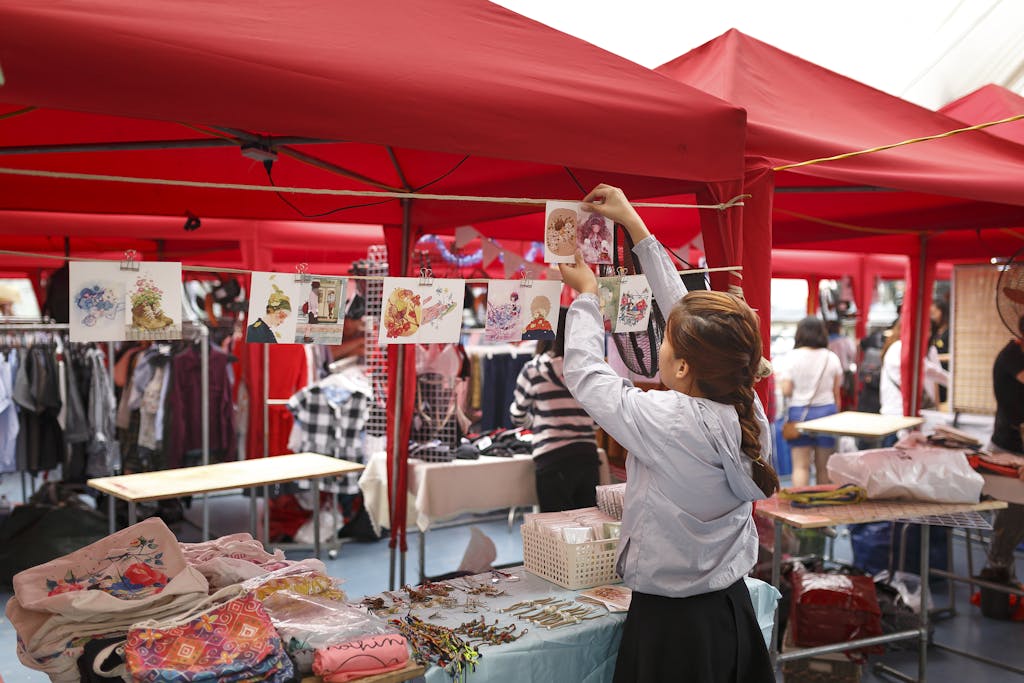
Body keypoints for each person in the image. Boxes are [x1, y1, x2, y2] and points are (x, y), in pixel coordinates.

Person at [559, 184, 776, 683]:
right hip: (730, 611)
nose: (659, 343)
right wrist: (635, 227)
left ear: (682, 368)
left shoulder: (668, 420)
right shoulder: (746, 407)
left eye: (666, 341)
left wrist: (587, 298)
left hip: (672, 629)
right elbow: (689, 317)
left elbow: (587, 375)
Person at [509, 306, 600, 512]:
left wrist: (538, 424)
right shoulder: (588, 369)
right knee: (588, 525)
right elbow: (597, 420)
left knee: (555, 528)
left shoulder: (534, 369)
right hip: (587, 455)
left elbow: (517, 415)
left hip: (552, 458)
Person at [980, 313, 1024, 587]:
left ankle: (1002, 576)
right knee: (1011, 517)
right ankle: (997, 579)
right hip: (1008, 452)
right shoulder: (1011, 357)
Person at [779, 316, 843, 487]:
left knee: (801, 467)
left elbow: (786, 390)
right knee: (824, 468)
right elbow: (836, 392)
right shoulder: (831, 357)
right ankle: (823, 501)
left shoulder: (792, 357)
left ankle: (801, 500)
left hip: (799, 414)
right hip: (827, 413)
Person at [827, 319, 857, 409]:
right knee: (842, 399)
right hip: (843, 374)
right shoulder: (846, 341)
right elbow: (853, 354)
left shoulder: (825, 342)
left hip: (828, 375)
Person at [929, 299, 950, 403]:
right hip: (932, 373)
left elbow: (953, 355)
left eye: (934, 312)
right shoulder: (933, 332)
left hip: (944, 372)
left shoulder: (949, 332)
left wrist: (936, 358)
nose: (932, 316)